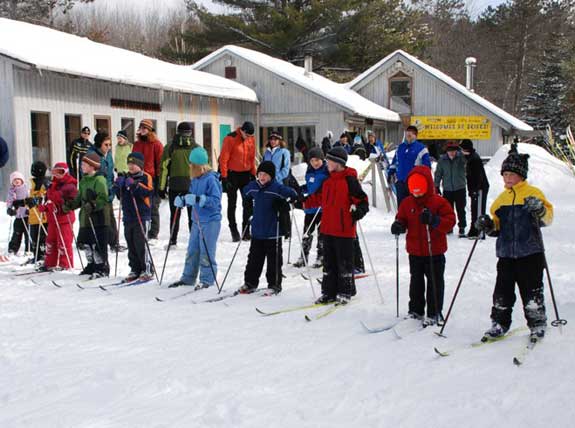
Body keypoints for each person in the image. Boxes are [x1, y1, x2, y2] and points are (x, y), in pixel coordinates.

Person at [475, 144, 552, 341]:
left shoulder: (533, 194)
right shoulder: (500, 200)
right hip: (506, 254)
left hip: (530, 253)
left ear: (521, 175)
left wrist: (539, 210)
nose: (507, 178)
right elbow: (497, 227)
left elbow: (547, 218)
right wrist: (488, 225)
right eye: (504, 175)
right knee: (502, 291)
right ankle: (499, 323)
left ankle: (537, 323)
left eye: (511, 174)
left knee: (531, 291)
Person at [391, 166, 456, 326]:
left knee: (435, 282)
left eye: (420, 191)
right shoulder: (407, 203)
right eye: (414, 191)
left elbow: (450, 222)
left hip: (435, 251)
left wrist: (434, 220)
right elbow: (402, 218)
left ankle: (434, 312)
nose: (417, 194)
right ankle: (416, 310)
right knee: (416, 282)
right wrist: (398, 224)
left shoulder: (438, 202)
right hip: (415, 251)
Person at [315, 147, 369, 304]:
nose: (326, 163)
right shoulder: (327, 180)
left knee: (344, 262)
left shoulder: (349, 179)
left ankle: (346, 291)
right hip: (327, 228)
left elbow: (362, 201)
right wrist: (300, 201)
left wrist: (358, 212)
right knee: (329, 263)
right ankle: (328, 292)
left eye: (329, 160)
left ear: (338, 163)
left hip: (344, 229)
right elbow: (316, 198)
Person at [238, 161, 297, 295]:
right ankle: (250, 283)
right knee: (254, 259)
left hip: (273, 232)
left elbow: (293, 195)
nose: (262, 177)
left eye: (265, 175)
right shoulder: (253, 187)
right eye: (260, 174)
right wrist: (247, 204)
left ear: (272, 176)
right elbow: (245, 192)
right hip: (257, 231)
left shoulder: (277, 188)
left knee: (274, 261)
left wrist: (283, 203)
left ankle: (274, 284)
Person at [169, 147, 222, 289]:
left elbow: (215, 201)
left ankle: (207, 279)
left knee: (206, 251)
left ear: (200, 166)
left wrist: (199, 199)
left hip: (210, 221)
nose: (190, 168)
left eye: (192, 165)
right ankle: (188, 278)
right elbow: (191, 195)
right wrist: (183, 200)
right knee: (192, 250)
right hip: (197, 220)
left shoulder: (211, 179)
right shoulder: (195, 179)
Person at [64, 152, 110, 279]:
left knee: (97, 243)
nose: (81, 166)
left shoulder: (100, 180)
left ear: (92, 166)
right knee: (86, 242)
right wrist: (70, 205)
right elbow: (79, 198)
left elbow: (103, 198)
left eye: (84, 164)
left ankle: (102, 266)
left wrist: (94, 204)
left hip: (98, 218)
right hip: (85, 217)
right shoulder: (84, 180)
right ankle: (91, 264)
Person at [114, 152, 155, 282]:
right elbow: (120, 196)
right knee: (130, 242)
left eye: (134, 164)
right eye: (129, 163)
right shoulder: (126, 177)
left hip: (141, 215)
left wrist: (135, 185)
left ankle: (147, 268)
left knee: (140, 243)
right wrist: (118, 186)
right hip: (128, 216)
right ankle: (135, 268)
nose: (131, 166)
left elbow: (148, 192)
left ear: (140, 165)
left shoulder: (145, 177)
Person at [159, 121, 198, 247]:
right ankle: (194, 240)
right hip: (191, 185)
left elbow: (164, 168)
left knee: (175, 214)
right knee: (192, 215)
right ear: (190, 133)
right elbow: (203, 167)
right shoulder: (196, 147)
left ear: (177, 132)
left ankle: (172, 240)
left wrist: (162, 187)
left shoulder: (170, 147)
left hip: (175, 185)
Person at [219, 121, 256, 242]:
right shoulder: (230, 138)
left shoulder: (251, 139)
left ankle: (246, 230)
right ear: (242, 131)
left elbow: (252, 158)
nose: (249, 138)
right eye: (247, 135)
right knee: (232, 203)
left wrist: (253, 173)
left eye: (251, 136)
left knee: (248, 203)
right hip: (232, 175)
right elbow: (224, 158)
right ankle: (233, 230)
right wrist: (224, 177)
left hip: (245, 174)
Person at [293, 147, 328, 268]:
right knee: (307, 232)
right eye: (312, 160)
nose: (315, 163)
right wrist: (301, 190)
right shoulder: (309, 171)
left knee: (321, 233)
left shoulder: (326, 171)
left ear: (322, 159)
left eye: (317, 160)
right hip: (310, 208)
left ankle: (321, 256)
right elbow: (310, 187)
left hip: (322, 208)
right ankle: (303, 256)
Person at [40, 162, 78, 271]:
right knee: (51, 241)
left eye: (60, 172)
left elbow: (62, 199)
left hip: (64, 218)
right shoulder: (53, 184)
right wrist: (45, 207)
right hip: (53, 218)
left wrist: (54, 203)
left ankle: (65, 264)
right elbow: (50, 200)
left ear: (65, 172)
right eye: (55, 172)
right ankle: (50, 263)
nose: (57, 175)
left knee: (64, 242)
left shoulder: (69, 185)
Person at [89, 133, 122, 252]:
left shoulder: (108, 155)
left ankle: (114, 242)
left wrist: (113, 187)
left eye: (109, 145)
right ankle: (99, 242)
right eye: (105, 145)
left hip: (108, 190)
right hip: (97, 192)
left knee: (110, 216)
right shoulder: (91, 155)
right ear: (99, 144)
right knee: (101, 218)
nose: (108, 147)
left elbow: (110, 173)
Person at [133, 119, 164, 241]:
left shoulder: (156, 144)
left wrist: (160, 182)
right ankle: (141, 229)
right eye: (141, 128)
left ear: (150, 130)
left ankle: (153, 232)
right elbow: (133, 160)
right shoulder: (137, 144)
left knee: (153, 206)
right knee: (140, 205)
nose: (142, 130)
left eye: (145, 128)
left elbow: (160, 163)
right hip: (138, 177)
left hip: (152, 178)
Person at [388, 125, 431, 207]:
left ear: (415, 136)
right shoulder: (400, 147)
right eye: (407, 135)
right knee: (401, 207)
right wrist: (390, 172)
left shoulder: (421, 148)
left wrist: (425, 180)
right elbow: (395, 161)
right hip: (400, 182)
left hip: (415, 182)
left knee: (414, 207)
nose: (408, 137)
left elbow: (427, 167)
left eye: (410, 135)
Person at [434, 142, 467, 237]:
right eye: (450, 151)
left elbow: (468, 163)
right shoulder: (442, 160)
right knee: (448, 210)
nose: (452, 153)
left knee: (461, 209)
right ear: (447, 151)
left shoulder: (461, 158)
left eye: (453, 150)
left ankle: (462, 227)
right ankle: (449, 227)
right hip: (447, 189)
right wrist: (436, 186)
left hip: (460, 188)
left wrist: (462, 153)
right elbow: (438, 174)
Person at [460, 139, 489, 238]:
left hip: (480, 188)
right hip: (475, 188)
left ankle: (479, 231)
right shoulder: (470, 157)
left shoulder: (474, 159)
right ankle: (474, 229)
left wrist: (475, 190)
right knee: (474, 209)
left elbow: (478, 177)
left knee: (478, 210)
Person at [25, 161, 50, 263]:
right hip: (34, 215)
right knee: (34, 238)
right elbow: (31, 197)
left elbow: (45, 197)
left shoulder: (45, 183)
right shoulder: (33, 183)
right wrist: (26, 204)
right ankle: (36, 255)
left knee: (43, 238)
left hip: (43, 216)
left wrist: (36, 201)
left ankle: (43, 255)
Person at [6, 171, 30, 255]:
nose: (16, 181)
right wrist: (10, 208)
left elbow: (29, 198)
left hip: (27, 216)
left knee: (28, 233)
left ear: (22, 180)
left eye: (18, 179)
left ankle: (29, 249)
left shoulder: (25, 188)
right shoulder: (11, 191)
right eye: (14, 180)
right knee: (16, 233)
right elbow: (9, 201)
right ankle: (13, 249)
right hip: (18, 216)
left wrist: (29, 208)